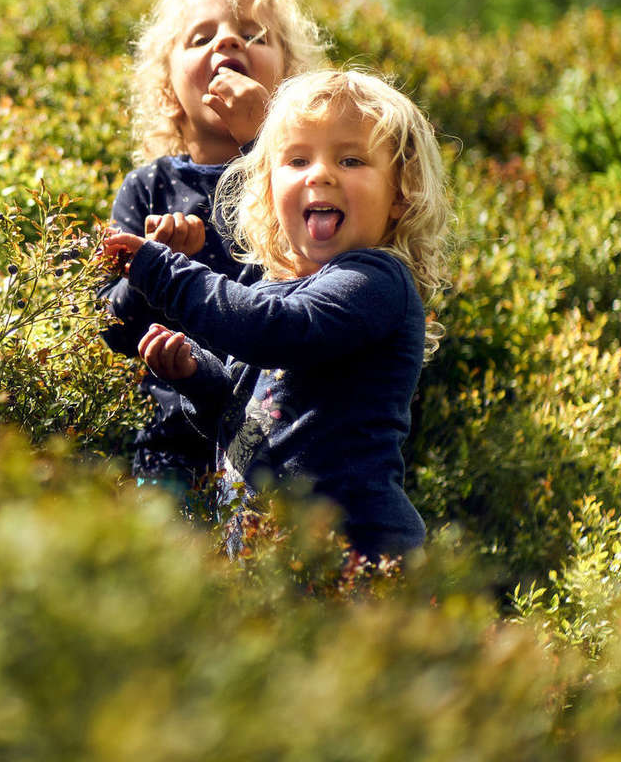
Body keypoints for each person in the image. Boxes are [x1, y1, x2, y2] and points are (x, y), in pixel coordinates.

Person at [101, 69, 453, 558]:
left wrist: (161, 271)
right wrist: (197, 376)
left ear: (401, 196)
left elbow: (278, 331)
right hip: (266, 562)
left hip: (354, 563)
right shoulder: (278, 289)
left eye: (351, 159)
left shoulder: (376, 281)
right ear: (268, 190)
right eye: (297, 159)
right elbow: (245, 424)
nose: (321, 174)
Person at [98, 0, 325, 498]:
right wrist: (151, 266)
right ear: (169, 87)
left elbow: (308, 272)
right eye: (202, 38)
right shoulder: (148, 187)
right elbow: (109, 327)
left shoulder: (294, 182)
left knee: (263, 567)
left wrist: (264, 139)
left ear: (288, 80)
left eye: (252, 36)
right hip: (169, 438)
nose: (227, 40)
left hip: (272, 433)